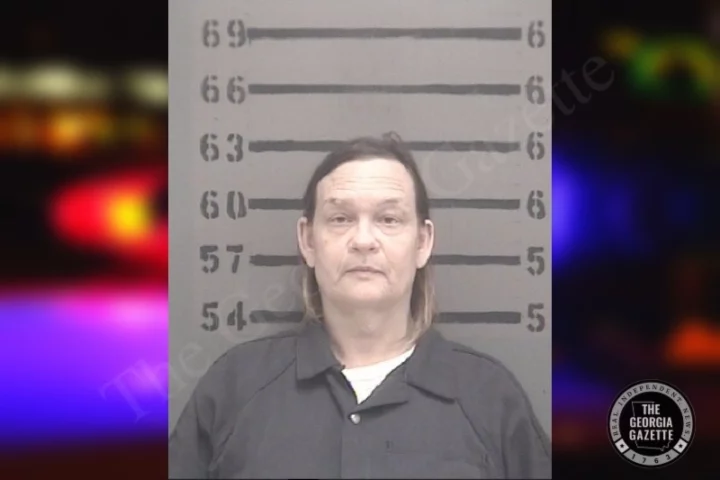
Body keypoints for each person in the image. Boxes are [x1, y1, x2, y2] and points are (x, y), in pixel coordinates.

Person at [169, 133, 551, 479]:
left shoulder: (491, 400)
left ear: (422, 243)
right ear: (308, 241)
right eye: (340, 218)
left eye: (389, 219)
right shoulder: (234, 388)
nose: (364, 240)